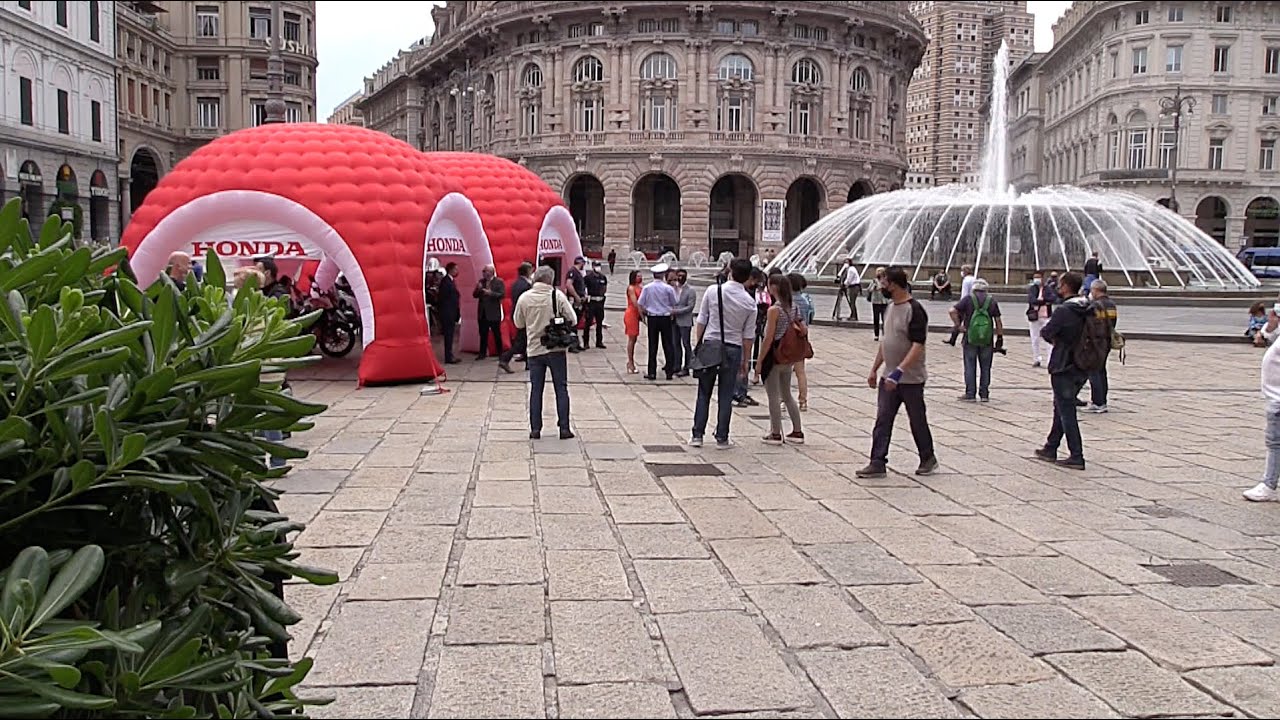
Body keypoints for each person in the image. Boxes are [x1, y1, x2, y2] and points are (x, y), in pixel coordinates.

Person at [857, 266, 937, 478]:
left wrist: (900, 371)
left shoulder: (915, 310)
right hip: (888, 377)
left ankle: (928, 457)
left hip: (910, 379)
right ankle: (877, 461)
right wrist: (875, 369)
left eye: (884, 283)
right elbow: (886, 341)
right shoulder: (890, 307)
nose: (881, 286)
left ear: (894, 284)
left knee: (917, 419)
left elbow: (918, 345)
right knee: (883, 419)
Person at [691, 258, 757, 449]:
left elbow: (702, 319)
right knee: (726, 395)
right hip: (733, 348)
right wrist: (746, 361)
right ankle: (722, 437)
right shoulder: (749, 302)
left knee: (703, 392)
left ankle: (697, 435)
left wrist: (699, 343)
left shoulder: (713, 291)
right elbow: (748, 336)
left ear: (730, 271)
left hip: (711, 344)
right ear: (747, 278)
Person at [1035, 271, 1092, 470]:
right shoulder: (1088, 307)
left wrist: (1058, 341)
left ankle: (1077, 455)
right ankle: (1051, 447)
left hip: (1064, 365)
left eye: (1060, 285)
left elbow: (1047, 332)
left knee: (1066, 411)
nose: (1058, 288)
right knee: (1061, 406)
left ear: (1067, 286)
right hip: (1083, 364)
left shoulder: (1065, 310)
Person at [513, 265, 577, 440]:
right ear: (551, 279)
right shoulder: (557, 296)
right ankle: (564, 427)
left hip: (534, 349)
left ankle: (535, 428)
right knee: (561, 388)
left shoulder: (525, 298)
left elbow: (518, 323)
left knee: (536, 389)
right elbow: (573, 319)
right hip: (556, 348)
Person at [755, 274, 804, 445]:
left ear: (774, 287)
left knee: (773, 396)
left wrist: (759, 361)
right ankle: (797, 431)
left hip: (774, 355)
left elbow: (769, 338)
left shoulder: (774, 310)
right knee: (787, 394)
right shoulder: (794, 307)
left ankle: (775, 433)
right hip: (788, 356)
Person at [1245, 306, 1280, 501]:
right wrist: (1270, 328)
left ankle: (1269, 484)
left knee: (1275, 443)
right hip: (1275, 398)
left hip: (1278, 399)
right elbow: (1266, 338)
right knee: (1274, 442)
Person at [949, 278, 1003, 402]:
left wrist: (958, 326)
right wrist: (999, 338)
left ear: (974, 289)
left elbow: (952, 311)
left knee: (970, 365)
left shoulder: (968, 299)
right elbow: (998, 322)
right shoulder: (992, 301)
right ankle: (984, 394)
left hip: (970, 338)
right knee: (986, 367)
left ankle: (970, 393)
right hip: (987, 339)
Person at [637, 263, 679, 380]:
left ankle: (652, 372)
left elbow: (640, 303)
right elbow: (674, 302)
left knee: (652, 345)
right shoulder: (668, 288)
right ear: (663, 275)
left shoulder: (647, 288)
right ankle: (669, 372)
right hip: (665, 318)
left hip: (653, 318)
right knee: (668, 345)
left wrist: (644, 313)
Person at [1084, 279, 1118, 413]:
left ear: (1096, 290)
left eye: (1092, 290)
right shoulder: (1111, 304)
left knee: (1094, 372)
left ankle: (1098, 402)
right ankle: (1102, 400)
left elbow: (1092, 324)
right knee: (1102, 371)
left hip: (1096, 342)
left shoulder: (1096, 305)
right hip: (1107, 341)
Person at [499, 262, 535, 372]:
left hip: (517, 313)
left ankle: (528, 362)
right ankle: (505, 359)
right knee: (522, 340)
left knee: (525, 338)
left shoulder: (516, 283)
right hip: (525, 315)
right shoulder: (526, 285)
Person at [788, 273, 814, 411]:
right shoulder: (805, 301)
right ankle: (803, 400)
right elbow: (809, 318)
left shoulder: (787, 301)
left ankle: (782, 399)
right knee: (800, 372)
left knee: (784, 371)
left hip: (788, 338)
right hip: (801, 337)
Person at [473, 264, 505, 359]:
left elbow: (501, 294)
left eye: (485, 271)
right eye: (483, 271)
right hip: (482, 313)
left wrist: (490, 293)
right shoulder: (481, 282)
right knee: (483, 334)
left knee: (497, 334)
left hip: (493, 312)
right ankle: (482, 353)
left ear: (491, 272)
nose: (483, 273)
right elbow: (474, 295)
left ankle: (500, 353)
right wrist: (478, 289)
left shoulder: (499, 282)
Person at [1027, 270, 1057, 367]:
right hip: (1034, 316)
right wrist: (1044, 301)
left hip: (1046, 316)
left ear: (1042, 278)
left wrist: (1041, 300)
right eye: (1035, 277)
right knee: (1034, 338)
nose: (1036, 279)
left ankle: (1049, 360)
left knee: (1048, 338)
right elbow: (1032, 300)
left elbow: (1053, 298)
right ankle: (1037, 358)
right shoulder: (1032, 288)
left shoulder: (1047, 288)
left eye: (1038, 277)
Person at [672, 269, 696, 376]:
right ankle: (676, 365)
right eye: (679, 276)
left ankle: (687, 367)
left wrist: (675, 311)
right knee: (675, 343)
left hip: (685, 321)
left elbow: (690, 307)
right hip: (674, 321)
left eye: (682, 276)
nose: (680, 278)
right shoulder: (674, 289)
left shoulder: (690, 290)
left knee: (686, 344)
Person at [943, 265, 975, 345]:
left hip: (965, 303)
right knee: (968, 322)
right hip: (973, 303)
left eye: (962, 270)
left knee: (958, 321)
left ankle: (953, 340)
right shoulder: (974, 279)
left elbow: (964, 294)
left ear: (965, 271)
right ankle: (959, 339)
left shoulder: (966, 280)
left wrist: (960, 304)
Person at [437, 262, 462, 364]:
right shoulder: (445, 282)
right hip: (447, 313)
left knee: (450, 335)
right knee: (448, 335)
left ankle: (450, 354)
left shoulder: (451, 281)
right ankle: (448, 356)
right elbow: (443, 298)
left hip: (451, 312)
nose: (457, 271)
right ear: (451, 270)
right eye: (456, 269)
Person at [624, 270, 643, 374]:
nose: (640, 278)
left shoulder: (640, 287)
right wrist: (642, 314)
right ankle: (630, 362)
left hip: (636, 314)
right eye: (638, 276)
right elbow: (635, 303)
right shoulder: (631, 288)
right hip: (631, 313)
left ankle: (631, 362)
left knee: (634, 339)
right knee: (632, 338)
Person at [868, 266, 890, 341]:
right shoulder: (874, 281)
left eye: (880, 272)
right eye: (878, 272)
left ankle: (885, 334)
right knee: (876, 318)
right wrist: (874, 287)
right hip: (876, 301)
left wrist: (883, 287)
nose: (879, 273)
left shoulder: (886, 280)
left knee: (885, 319)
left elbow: (889, 289)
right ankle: (876, 335)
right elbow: (869, 289)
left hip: (884, 301)